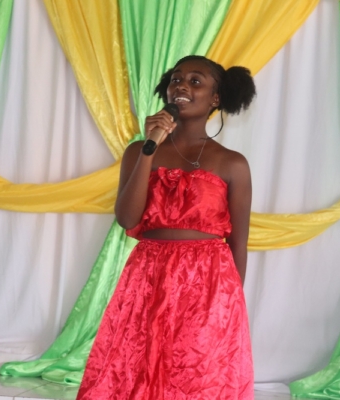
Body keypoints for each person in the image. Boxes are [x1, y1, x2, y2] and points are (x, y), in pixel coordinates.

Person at [77, 55, 256, 400]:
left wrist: (229, 307)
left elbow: (238, 243)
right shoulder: (139, 151)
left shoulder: (232, 163)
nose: (182, 86)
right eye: (176, 79)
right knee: (136, 365)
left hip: (208, 281)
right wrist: (150, 148)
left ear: (216, 98)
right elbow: (127, 219)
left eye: (195, 81)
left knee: (195, 372)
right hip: (148, 274)